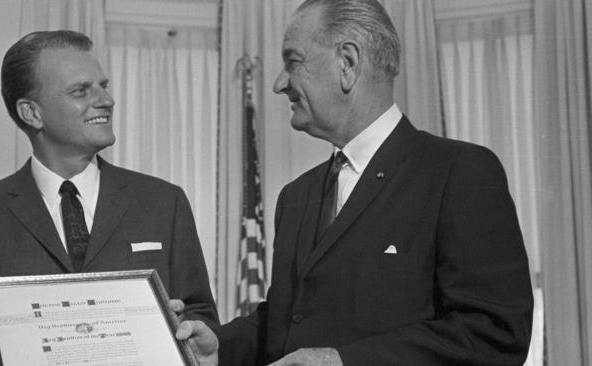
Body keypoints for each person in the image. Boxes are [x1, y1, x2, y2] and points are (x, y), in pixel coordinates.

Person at [177, 0, 534, 365]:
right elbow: (286, 322)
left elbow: (494, 333)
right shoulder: (296, 197)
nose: (279, 83)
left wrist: (343, 361)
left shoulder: (458, 173)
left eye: (293, 61)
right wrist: (222, 346)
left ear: (347, 63)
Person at [0, 30, 218, 366]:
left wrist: (194, 331)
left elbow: (199, 312)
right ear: (31, 113)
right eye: (80, 91)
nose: (106, 100)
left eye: (103, 86)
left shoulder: (164, 202)